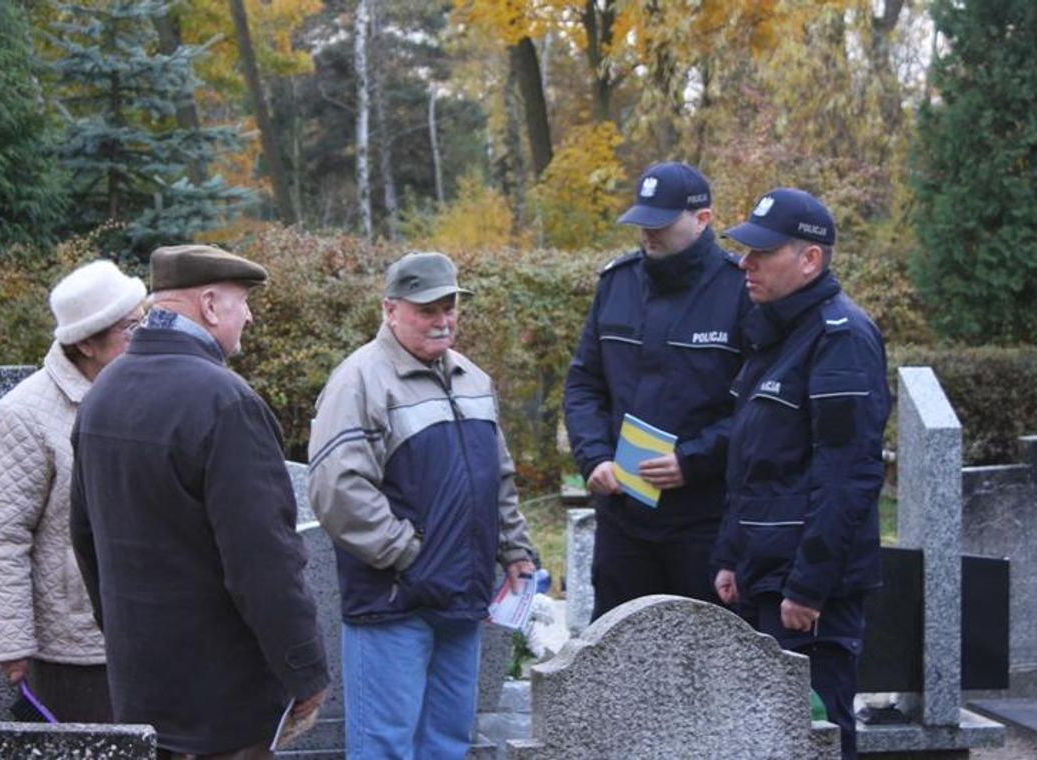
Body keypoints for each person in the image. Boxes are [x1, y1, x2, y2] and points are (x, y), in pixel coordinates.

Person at [70, 244, 329, 758]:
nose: (250, 315)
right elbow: (264, 563)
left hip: (140, 691)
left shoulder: (101, 393)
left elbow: (85, 540)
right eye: (242, 301)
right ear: (210, 305)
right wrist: (306, 670)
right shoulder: (226, 402)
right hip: (223, 706)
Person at [307, 251, 536, 759]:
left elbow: (496, 478)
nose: (443, 319)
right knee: (385, 749)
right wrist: (409, 555)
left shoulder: (472, 379)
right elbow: (337, 489)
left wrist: (516, 553)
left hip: (460, 600)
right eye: (427, 309)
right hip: (394, 605)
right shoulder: (360, 380)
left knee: (448, 746)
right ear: (391, 310)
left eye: (450, 305)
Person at [713, 188, 890, 760]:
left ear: (810, 259)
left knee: (814, 739)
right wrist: (731, 555)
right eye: (745, 251)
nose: (746, 263)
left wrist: (809, 586)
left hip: (807, 595)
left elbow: (849, 476)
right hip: (765, 577)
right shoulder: (778, 334)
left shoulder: (842, 338)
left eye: (762, 253)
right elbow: (756, 464)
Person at [563, 161, 751, 620]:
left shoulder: (739, 291)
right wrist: (594, 457)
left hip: (704, 519)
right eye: (642, 222)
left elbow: (758, 410)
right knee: (616, 657)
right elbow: (584, 384)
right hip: (623, 518)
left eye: (661, 224)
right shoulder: (617, 283)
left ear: (702, 219)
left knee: (703, 659)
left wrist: (694, 461)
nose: (648, 234)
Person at [0, 258, 146, 722]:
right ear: (87, 343)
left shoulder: (145, 390)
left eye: (145, 319)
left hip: (154, 630)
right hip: (77, 645)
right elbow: (2, 535)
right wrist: (12, 645)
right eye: (131, 327)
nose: (145, 335)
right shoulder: (24, 413)